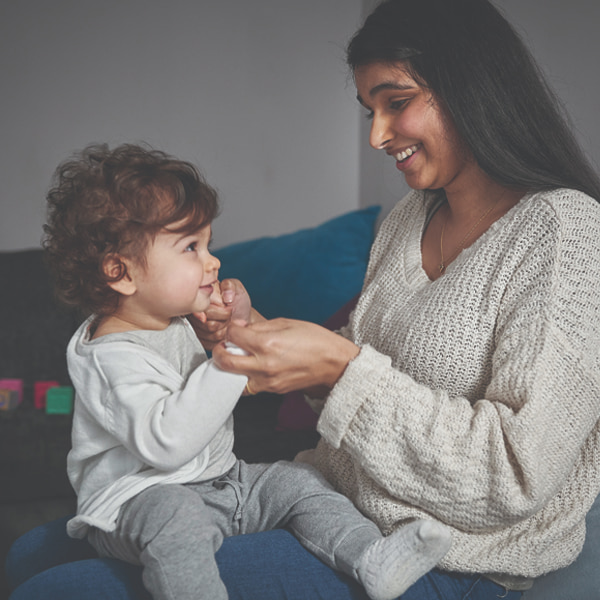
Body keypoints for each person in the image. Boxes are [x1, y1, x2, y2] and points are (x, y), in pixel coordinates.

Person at [5, 1, 600, 599]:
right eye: (370, 110)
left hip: (447, 551)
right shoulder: (407, 220)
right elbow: (366, 383)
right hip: (341, 504)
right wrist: (261, 340)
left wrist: (339, 367)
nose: (376, 135)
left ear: (473, 88)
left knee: (51, 591)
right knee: (29, 552)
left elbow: (518, 477)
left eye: (396, 103)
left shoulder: (564, 232)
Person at [40, 142, 451, 600]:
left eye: (208, 244)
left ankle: (369, 557)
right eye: (190, 247)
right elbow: (168, 442)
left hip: (221, 484)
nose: (212, 261)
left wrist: (230, 325)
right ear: (121, 272)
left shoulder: (168, 318)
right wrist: (232, 351)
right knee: (176, 518)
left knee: (298, 481)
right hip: (138, 503)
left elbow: (208, 379)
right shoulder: (110, 358)